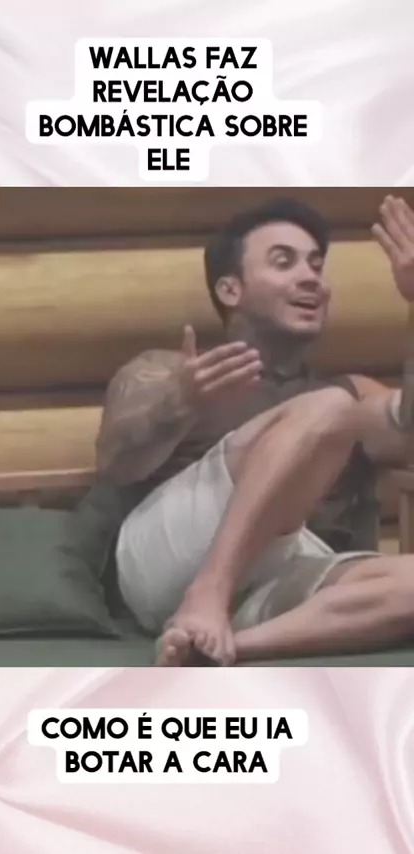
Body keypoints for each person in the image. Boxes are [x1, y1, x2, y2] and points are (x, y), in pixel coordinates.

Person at [95, 194, 414, 666]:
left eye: (316, 265)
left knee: (335, 407)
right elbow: (115, 461)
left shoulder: (351, 391)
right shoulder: (171, 371)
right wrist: (181, 400)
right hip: (166, 563)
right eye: (284, 262)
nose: (311, 277)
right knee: (331, 409)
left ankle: (213, 648)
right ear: (230, 290)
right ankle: (207, 594)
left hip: (281, 575)